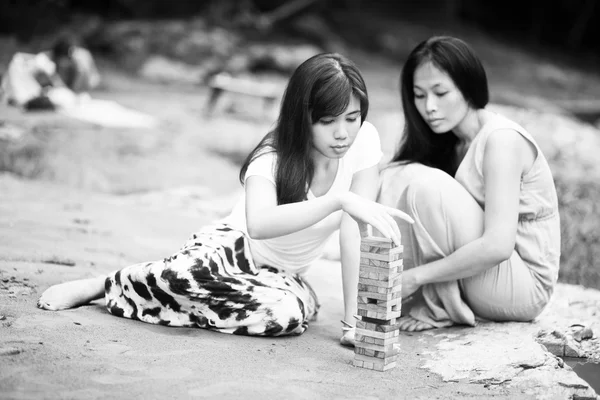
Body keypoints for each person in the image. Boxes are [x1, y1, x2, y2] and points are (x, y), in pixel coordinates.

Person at [37, 53, 413, 344]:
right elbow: (260, 225)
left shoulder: (364, 141)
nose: (343, 133)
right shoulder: (272, 155)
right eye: (327, 121)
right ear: (304, 117)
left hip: (282, 276)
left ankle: (179, 299)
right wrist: (338, 201)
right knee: (184, 276)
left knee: (284, 318)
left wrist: (353, 321)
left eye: (352, 117)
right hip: (230, 248)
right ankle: (108, 284)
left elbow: (354, 232)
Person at [377, 36, 561, 332]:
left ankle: (436, 303)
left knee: (427, 186)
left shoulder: (501, 140)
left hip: (521, 288)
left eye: (440, 92)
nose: (429, 107)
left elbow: (499, 246)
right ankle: (394, 289)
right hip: (485, 280)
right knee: (396, 174)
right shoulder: (454, 142)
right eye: (419, 95)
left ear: (468, 87)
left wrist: (416, 277)